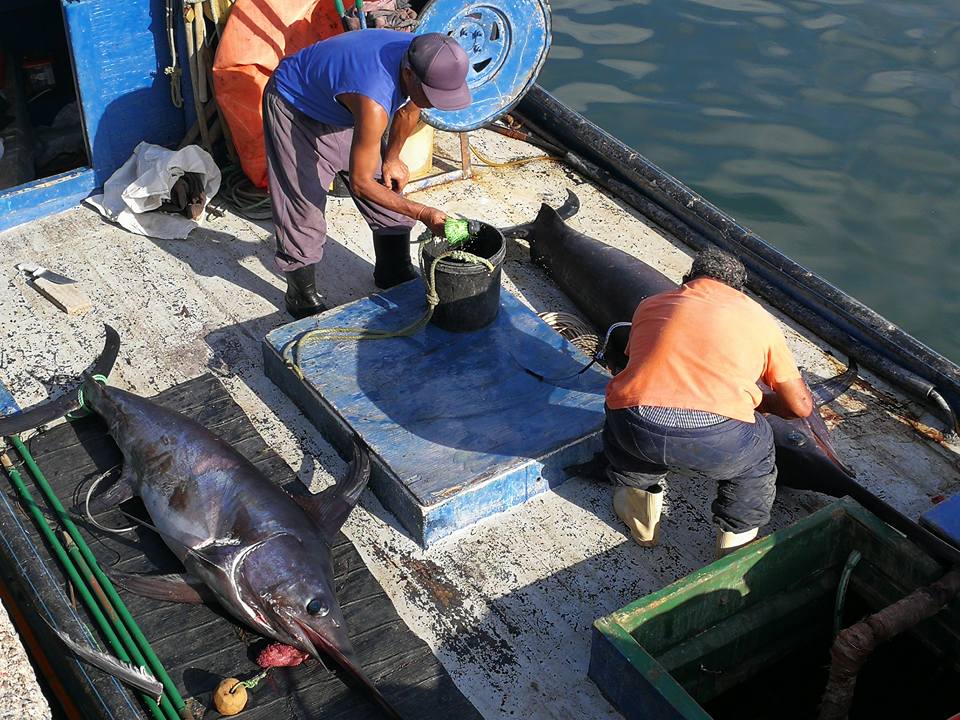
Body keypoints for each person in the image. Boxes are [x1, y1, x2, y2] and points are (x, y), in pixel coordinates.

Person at [602, 247, 813, 557]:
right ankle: (734, 544)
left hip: (636, 428)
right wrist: (762, 406)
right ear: (739, 289)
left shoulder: (650, 305)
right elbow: (800, 407)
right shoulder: (760, 320)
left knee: (626, 423)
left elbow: (637, 360)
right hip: (718, 442)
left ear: (687, 279)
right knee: (757, 459)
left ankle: (642, 522)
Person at [262, 30, 472, 318]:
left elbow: (411, 109)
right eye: (432, 95)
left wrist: (393, 157)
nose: (436, 102)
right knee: (304, 208)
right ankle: (301, 297)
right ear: (409, 75)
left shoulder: (423, 62)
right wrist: (424, 213)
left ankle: (393, 270)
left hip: (343, 107)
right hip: (295, 106)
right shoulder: (374, 100)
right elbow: (360, 185)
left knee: (388, 191)